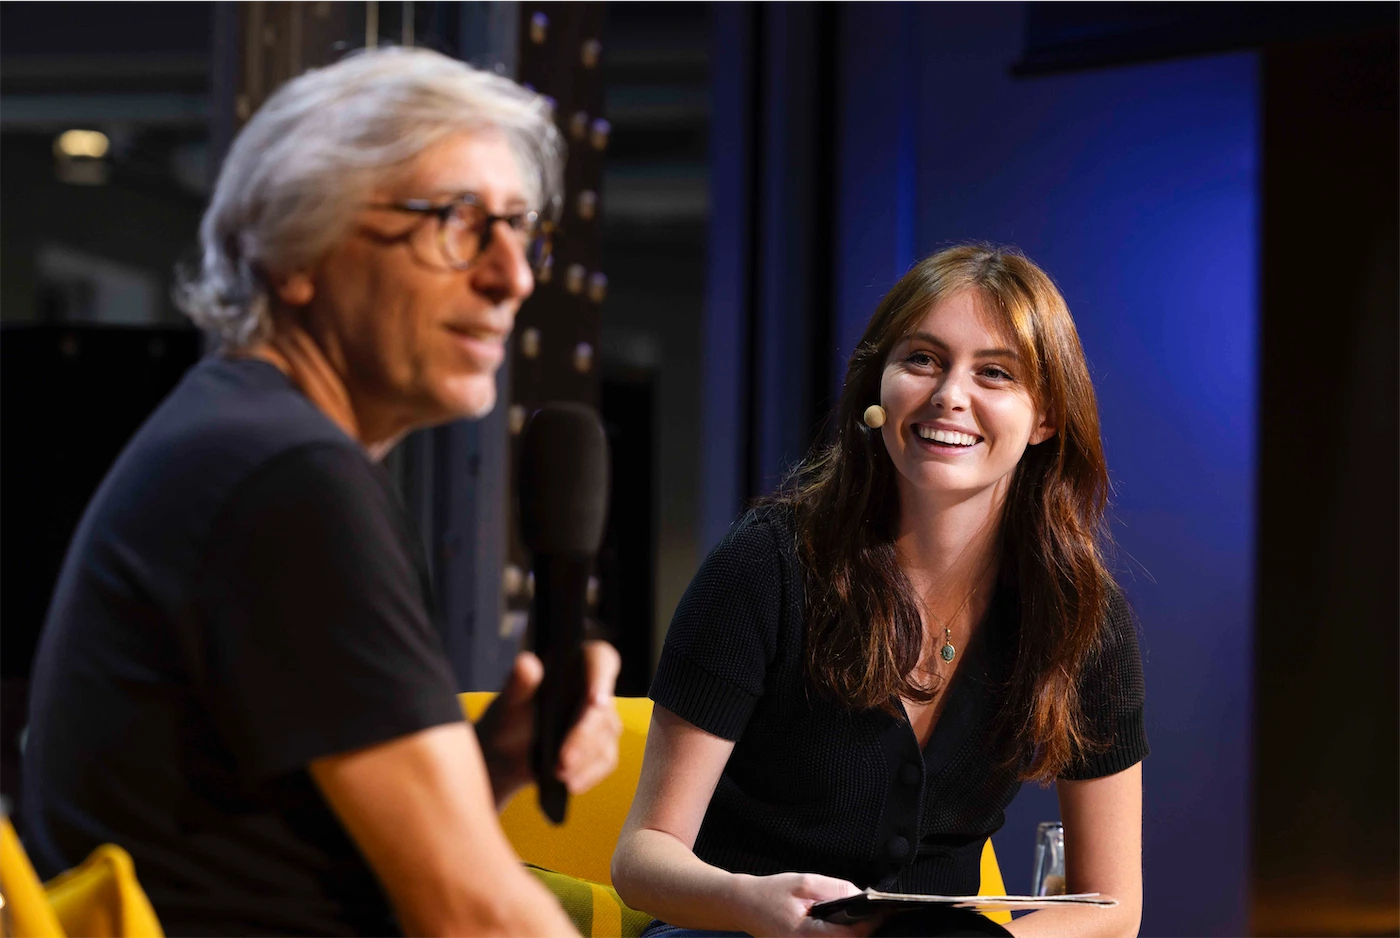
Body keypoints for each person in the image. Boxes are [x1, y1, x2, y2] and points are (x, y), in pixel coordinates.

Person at [21, 48, 621, 938]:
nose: (513, 277)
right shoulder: (287, 479)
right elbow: (475, 917)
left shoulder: (234, 433)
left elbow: (259, 848)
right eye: (458, 222)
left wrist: (480, 769)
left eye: (515, 227)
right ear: (295, 253)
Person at [611, 245, 1147, 938]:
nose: (951, 394)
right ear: (878, 389)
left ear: (1045, 419)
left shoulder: (1082, 618)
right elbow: (643, 857)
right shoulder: (766, 563)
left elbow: (1112, 906)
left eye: (994, 373)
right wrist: (754, 904)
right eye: (922, 359)